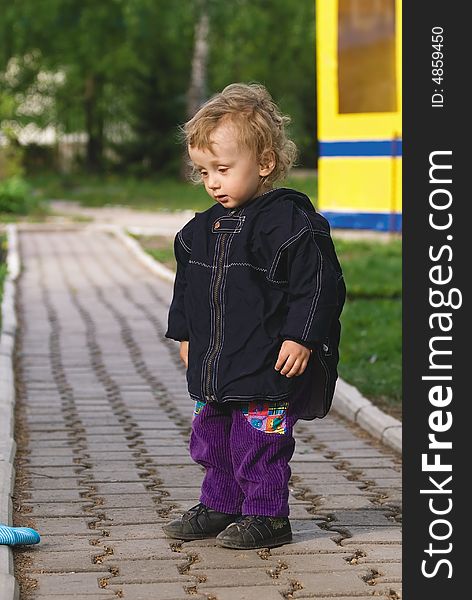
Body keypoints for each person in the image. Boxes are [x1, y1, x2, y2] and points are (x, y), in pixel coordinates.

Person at [163, 82, 345, 550]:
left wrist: (301, 337)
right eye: (204, 172)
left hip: (266, 364)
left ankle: (267, 514)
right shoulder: (198, 232)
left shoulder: (290, 225)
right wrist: (184, 334)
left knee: (258, 445)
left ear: (264, 163)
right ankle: (221, 503)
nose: (212, 182)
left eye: (222, 170)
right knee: (213, 440)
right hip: (215, 365)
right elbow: (186, 289)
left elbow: (319, 286)